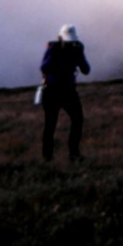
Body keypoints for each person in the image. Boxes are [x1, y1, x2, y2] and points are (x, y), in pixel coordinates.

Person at [40, 24, 91, 162]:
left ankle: (49, 157)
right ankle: (71, 154)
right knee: (73, 120)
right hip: (62, 90)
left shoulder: (54, 48)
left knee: (52, 124)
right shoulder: (73, 48)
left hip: (54, 91)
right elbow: (86, 69)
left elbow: (43, 67)